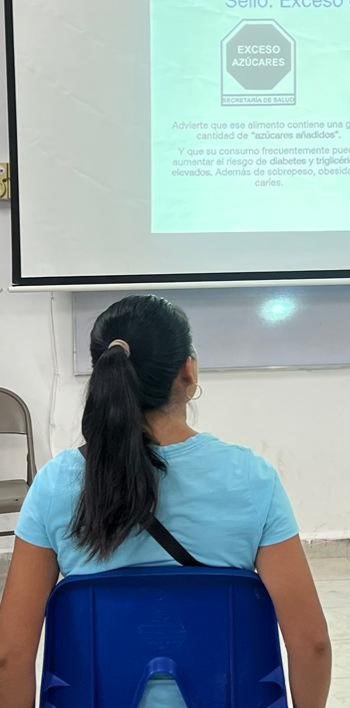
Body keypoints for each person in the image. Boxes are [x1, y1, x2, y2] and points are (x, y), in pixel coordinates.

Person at [0, 295, 331, 707]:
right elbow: (311, 644)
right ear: (188, 373)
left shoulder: (55, 485)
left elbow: (9, 657)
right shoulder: (251, 478)